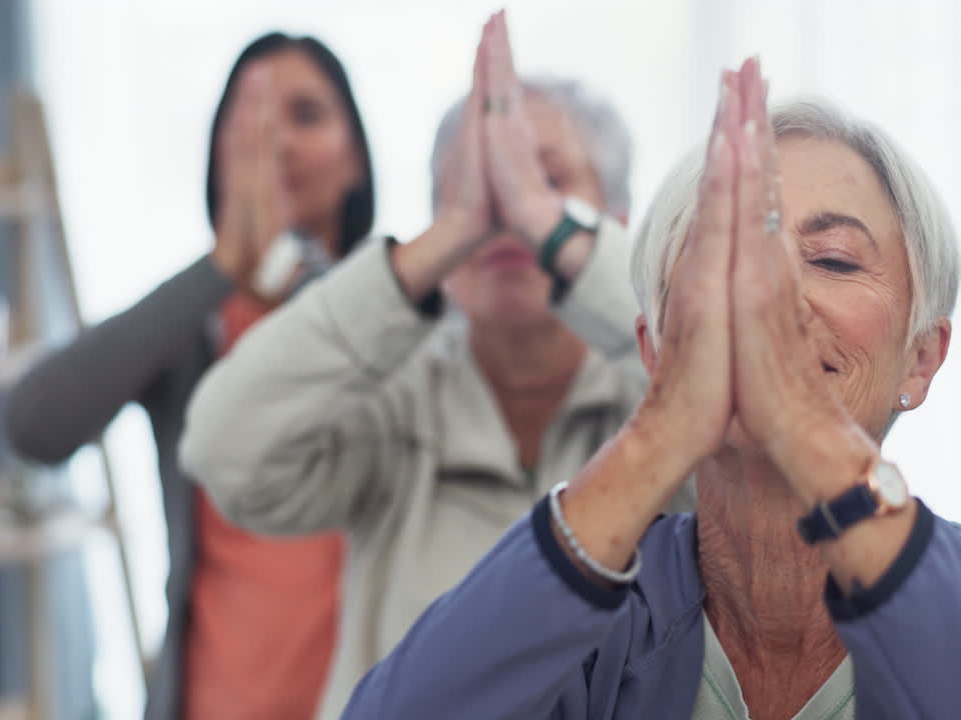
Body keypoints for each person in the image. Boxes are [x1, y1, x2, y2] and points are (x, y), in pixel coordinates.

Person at [340, 58, 961, 719]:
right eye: (725, 263)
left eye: (833, 260)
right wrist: (657, 435)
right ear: (656, 350)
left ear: (921, 360)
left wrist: (807, 429)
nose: (770, 299)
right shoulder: (595, 608)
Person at [179, 12, 691, 720]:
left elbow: (764, 433)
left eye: (548, 183)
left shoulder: (676, 405)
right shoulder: (398, 398)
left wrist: (548, 225)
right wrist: (449, 233)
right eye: (484, 186)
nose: (512, 213)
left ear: (618, 222)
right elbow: (222, 446)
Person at [4, 32, 375, 720]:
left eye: (306, 115)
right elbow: (34, 424)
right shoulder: (190, 331)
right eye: (251, 117)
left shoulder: (397, 325)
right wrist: (221, 269)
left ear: (355, 159)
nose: (277, 143)